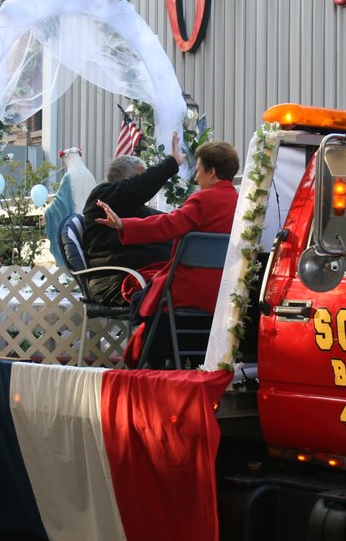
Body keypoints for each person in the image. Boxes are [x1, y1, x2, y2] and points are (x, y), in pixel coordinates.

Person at [95, 140, 240, 367]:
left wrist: (124, 225)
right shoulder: (242, 203)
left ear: (211, 173)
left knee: (145, 299)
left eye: (199, 171)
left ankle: (150, 365)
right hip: (224, 292)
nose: (195, 179)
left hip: (189, 290)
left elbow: (170, 224)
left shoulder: (204, 199)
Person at [80, 132, 188, 306]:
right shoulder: (103, 196)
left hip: (136, 273)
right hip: (114, 278)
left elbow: (165, 223)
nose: (146, 180)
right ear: (126, 179)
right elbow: (139, 187)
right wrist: (171, 164)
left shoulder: (130, 205)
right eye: (142, 175)